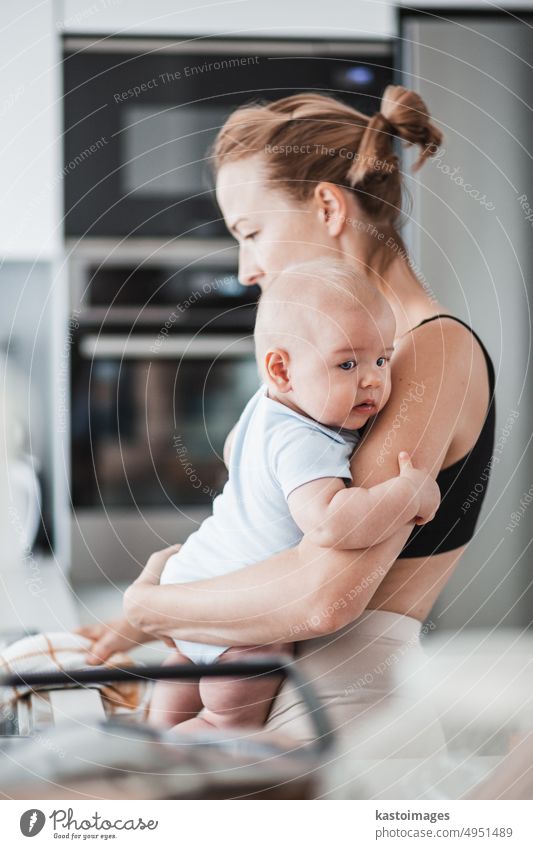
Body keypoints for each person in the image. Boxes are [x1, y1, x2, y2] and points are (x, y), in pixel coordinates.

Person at [77, 85, 496, 759]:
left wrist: (154, 607)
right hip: (294, 710)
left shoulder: (429, 348)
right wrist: (156, 609)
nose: (247, 269)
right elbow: (274, 535)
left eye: (251, 232)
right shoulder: (337, 370)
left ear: (328, 205)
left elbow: (321, 593)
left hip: (344, 730)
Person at [142, 260, 439, 731]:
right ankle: (175, 761)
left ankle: (148, 753)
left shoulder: (265, 405)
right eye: (347, 363)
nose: (373, 380)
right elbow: (333, 523)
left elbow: (235, 447)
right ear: (281, 369)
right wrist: (410, 493)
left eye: (382, 358)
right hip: (244, 627)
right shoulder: (305, 442)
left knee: (161, 724)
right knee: (225, 726)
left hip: (192, 589)